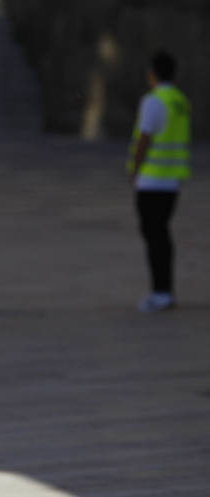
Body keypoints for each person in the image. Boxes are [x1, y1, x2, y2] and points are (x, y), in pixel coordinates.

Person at [127, 50, 191, 313]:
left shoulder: (154, 101)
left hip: (152, 180)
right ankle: (164, 290)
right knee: (161, 234)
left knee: (154, 235)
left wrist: (134, 168)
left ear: (152, 74)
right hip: (172, 180)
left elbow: (145, 138)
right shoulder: (180, 101)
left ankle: (160, 292)